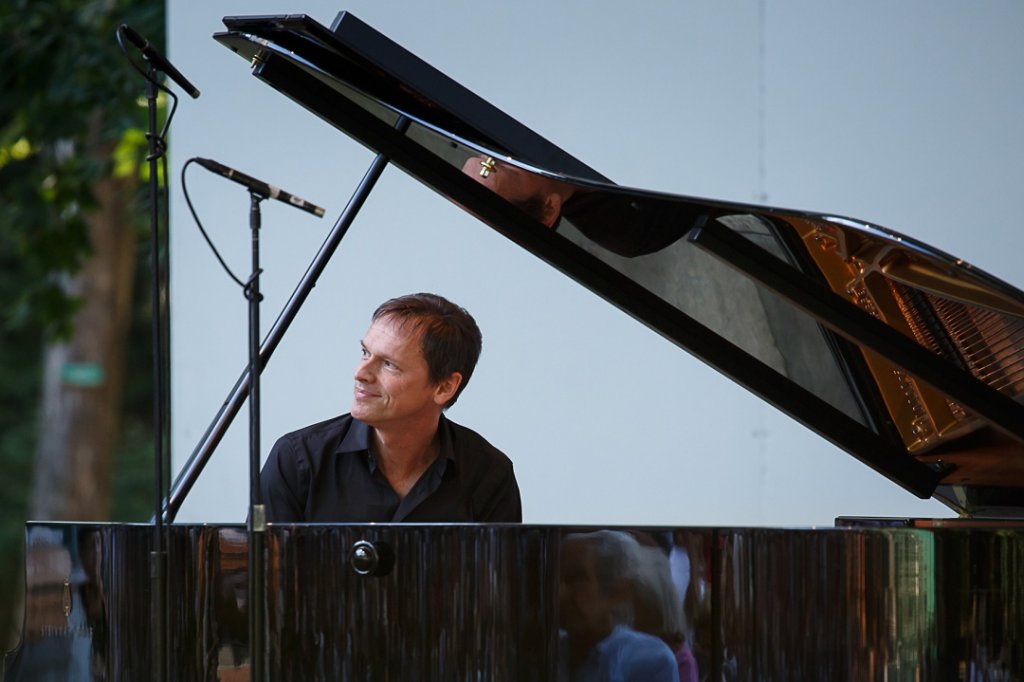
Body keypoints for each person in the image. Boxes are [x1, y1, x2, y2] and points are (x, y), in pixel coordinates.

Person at [259, 292, 522, 522]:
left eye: (389, 364)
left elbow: (501, 579)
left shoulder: (489, 475)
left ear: (444, 387)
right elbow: (262, 576)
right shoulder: (296, 460)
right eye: (365, 353)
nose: (360, 373)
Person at [558, 531, 680, 682]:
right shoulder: (543, 653)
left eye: (576, 578)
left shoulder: (648, 659)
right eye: (556, 579)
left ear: (617, 591)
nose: (560, 593)